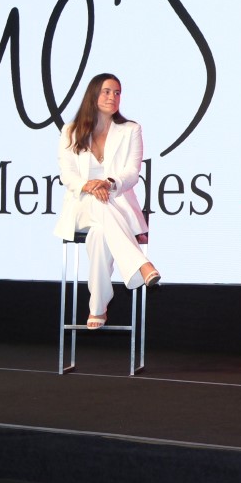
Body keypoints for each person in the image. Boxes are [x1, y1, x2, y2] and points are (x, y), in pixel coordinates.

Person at [54, 73, 160, 327]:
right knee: (96, 202)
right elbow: (67, 174)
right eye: (107, 91)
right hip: (81, 206)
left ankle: (98, 306)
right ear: (93, 95)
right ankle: (140, 264)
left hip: (117, 206)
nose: (113, 97)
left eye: (117, 92)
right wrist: (88, 186)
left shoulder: (131, 130)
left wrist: (108, 183)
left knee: (100, 233)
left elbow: (132, 173)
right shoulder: (70, 131)